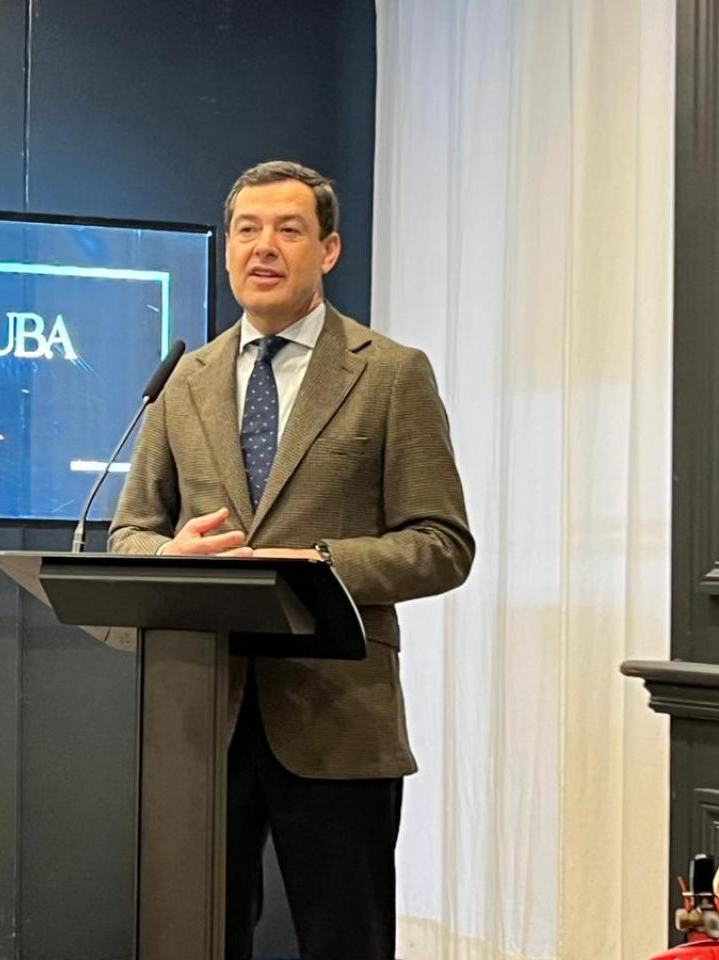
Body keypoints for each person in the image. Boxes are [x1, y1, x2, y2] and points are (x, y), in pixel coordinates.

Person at [108, 160, 474, 959]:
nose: (262, 247)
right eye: (247, 230)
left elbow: (443, 544)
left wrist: (315, 560)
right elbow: (128, 535)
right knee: (196, 941)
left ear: (329, 249)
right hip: (202, 716)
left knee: (348, 941)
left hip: (340, 717)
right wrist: (172, 552)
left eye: (288, 229)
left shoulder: (390, 374)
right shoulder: (184, 381)